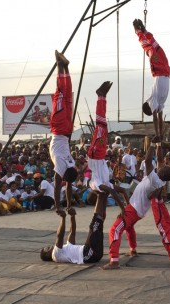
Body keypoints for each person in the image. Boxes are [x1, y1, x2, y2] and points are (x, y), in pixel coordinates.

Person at [103, 136, 170, 270]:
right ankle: (133, 249)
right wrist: (158, 143)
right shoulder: (160, 179)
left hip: (135, 209)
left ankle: (114, 260)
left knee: (115, 230)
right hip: (138, 209)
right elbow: (158, 159)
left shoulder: (155, 179)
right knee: (129, 227)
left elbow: (147, 160)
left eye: (163, 167)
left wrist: (152, 144)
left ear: (162, 173)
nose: (161, 165)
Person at [40, 189, 123, 264]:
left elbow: (72, 231)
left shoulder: (65, 250)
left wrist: (73, 216)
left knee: (99, 223)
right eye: (47, 248)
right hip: (87, 255)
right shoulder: (55, 255)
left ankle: (103, 196)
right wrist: (63, 218)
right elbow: (60, 236)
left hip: (93, 253)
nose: (49, 246)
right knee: (95, 224)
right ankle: (100, 195)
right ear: (47, 255)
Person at [86, 81, 131, 211]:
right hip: (99, 155)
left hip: (95, 156)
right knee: (103, 125)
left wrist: (123, 208)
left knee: (100, 124)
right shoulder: (105, 185)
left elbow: (112, 193)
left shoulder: (96, 186)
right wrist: (128, 206)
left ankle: (100, 96)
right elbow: (121, 190)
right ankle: (103, 97)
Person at [49, 50, 78, 211]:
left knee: (67, 97)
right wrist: (59, 206)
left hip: (67, 130)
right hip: (59, 128)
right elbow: (58, 185)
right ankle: (60, 65)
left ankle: (65, 67)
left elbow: (67, 186)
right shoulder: (61, 166)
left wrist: (68, 206)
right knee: (60, 93)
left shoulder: (71, 164)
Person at [133, 18, 170, 139]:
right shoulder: (155, 102)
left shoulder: (156, 102)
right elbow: (157, 117)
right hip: (160, 71)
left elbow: (158, 117)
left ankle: (140, 31)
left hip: (164, 72)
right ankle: (141, 31)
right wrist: (159, 134)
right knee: (151, 47)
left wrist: (159, 134)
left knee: (151, 47)